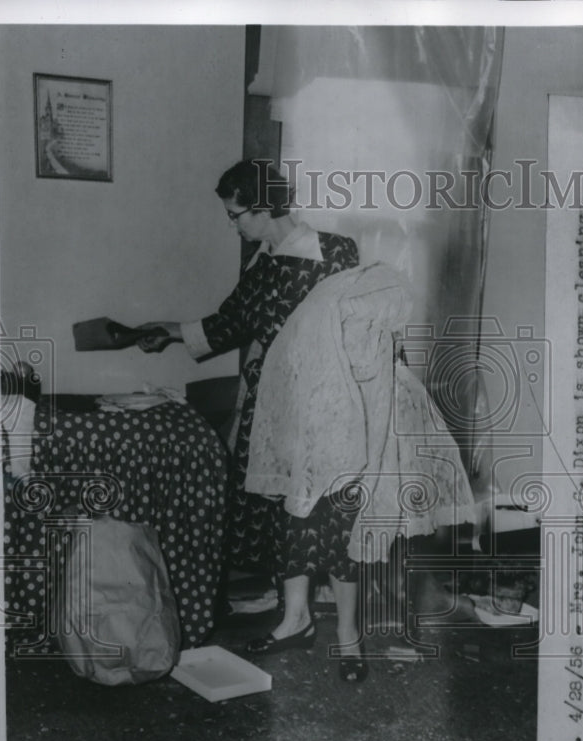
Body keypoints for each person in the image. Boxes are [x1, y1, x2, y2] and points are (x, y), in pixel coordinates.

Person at [137, 159, 359, 620]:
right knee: (278, 505)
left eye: (235, 215)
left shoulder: (336, 251)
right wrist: (167, 332)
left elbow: (361, 324)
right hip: (274, 402)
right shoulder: (261, 263)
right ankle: (290, 606)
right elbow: (229, 323)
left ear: (261, 207)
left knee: (322, 505)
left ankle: (319, 613)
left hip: (324, 401)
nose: (232, 224)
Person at [245, 262, 481, 681]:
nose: (372, 334)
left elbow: (388, 420)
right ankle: (294, 619)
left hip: (363, 460)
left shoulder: (384, 360)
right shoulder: (319, 343)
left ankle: (348, 634)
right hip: (319, 439)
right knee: (298, 526)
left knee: (344, 537)